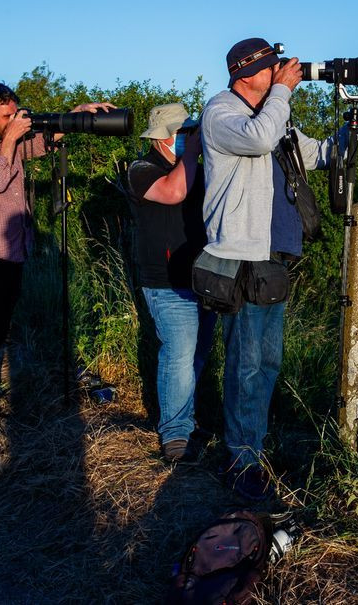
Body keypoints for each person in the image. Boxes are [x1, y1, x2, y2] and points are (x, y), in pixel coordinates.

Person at [200, 38, 358, 500]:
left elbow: (323, 154)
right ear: (247, 73)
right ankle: (241, 460)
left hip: (275, 256)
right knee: (247, 364)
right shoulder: (221, 112)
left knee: (267, 362)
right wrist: (284, 92)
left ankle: (254, 448)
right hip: (242, 256)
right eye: (273, 68)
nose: (282, 74)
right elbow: (258, 138)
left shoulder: (274, 116)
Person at [0, 82, 114, 430]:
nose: (13, 122)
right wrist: (11, 140)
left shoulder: (9, 143)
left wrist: (76, 115)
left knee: (1, 329)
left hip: (14, 251)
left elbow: (45, 142)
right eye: (7, 116)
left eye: (15, 115)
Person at [125, 103, 216, 463]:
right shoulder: (142, 169)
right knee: (179, 355)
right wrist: (191, 153)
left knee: (196, 355)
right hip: (166, 283)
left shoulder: (196, 169)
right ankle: (175, 434)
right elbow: (173, 192)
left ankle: (186, 422)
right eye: (184, 133)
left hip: (203, 278)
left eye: (192, 133)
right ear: (162, 137)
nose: (190, 138)